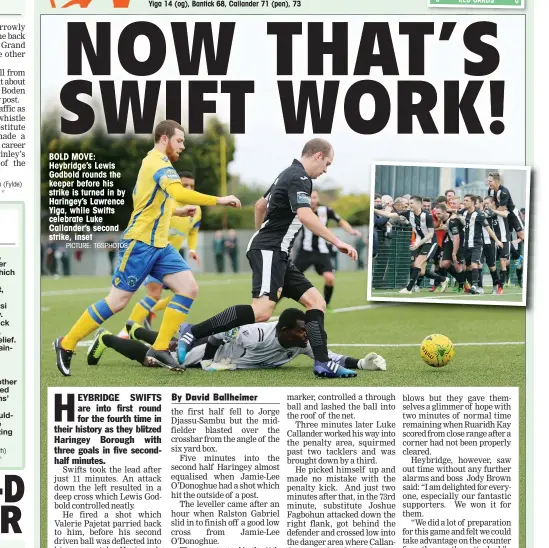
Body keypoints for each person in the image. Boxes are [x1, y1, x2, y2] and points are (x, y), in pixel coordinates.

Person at [54, 119, 241, 376]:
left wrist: (175, 211)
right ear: (164, 139)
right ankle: (66, 343)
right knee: (117, 301)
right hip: (140, 244)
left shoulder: (155, 164)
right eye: (179, 140)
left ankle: (160, 347)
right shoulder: (157, 162)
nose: (183, 146)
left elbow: (144, 198)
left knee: (188, 288)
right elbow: (181, 193)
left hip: (160, 246)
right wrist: (220, 199)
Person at [177, 138, 359, 378]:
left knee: (316, 302)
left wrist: (261, 234)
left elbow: (259, 205)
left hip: (276, 251)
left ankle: (323, 363)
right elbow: (305, 215)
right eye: (327, 163)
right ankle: (193, 330)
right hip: (270, 249)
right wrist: (337, 241)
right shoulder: (300, 177)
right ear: (317, 155)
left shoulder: (287, 173)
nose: (326, 170)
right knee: (262, 310)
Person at [86, 309, 387, 373]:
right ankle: (109, 339)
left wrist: (360, 362)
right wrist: (206, 363)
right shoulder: (255, 333)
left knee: (174, 339)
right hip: (211, 349)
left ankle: (135, 328)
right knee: (153, 359)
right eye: (301, 331)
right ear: (282, 330)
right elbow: (216, 336)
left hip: (219, 348)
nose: (306, 336)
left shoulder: (300, 343)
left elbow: (329, 356)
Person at [120, 171, 202, 334]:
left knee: (187, 291)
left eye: (191, 186)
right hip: (153, 254)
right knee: (153, 294)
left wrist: (192, 249)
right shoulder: (165, 202)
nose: (188, 188)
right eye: (184, 185)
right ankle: (125, 332)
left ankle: (149, 311)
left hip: (172, 260)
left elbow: (193, 230)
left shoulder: (196, 209)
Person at [293, 190, 361, 309]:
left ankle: (326, 303)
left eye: (315, 197)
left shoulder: (326, 210)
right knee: (288, 278)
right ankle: (272, 303)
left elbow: (341, 221)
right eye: (310, 197)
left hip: (322, 251)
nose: (312, 200)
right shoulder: (301, 211)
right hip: (305, 251)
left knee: (329, 278)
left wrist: (351, 231)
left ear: (318, 199)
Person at [375, 196, 445, 294]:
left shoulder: (427, 215)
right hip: (419, 242)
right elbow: (389, 214)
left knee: (417, 264)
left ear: (419, 204)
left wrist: (418, 244)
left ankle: (408, 289)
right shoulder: (408, 213)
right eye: (408, 203)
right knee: (421, 271)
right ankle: (443, 279)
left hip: (430, 243)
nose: (409, 205)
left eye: (411, 203)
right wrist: (373, 210)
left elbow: (430, 234)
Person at [460, 194, 502, 295]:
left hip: (488, 242)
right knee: (477, 265)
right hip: (476, 243)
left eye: (479, 203)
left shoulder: (484, 212)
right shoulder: (466, 212)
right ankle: (478, 287)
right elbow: (457, 212)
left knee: (492, 266)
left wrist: (497, 240)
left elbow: (489, 226)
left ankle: (497, 285)